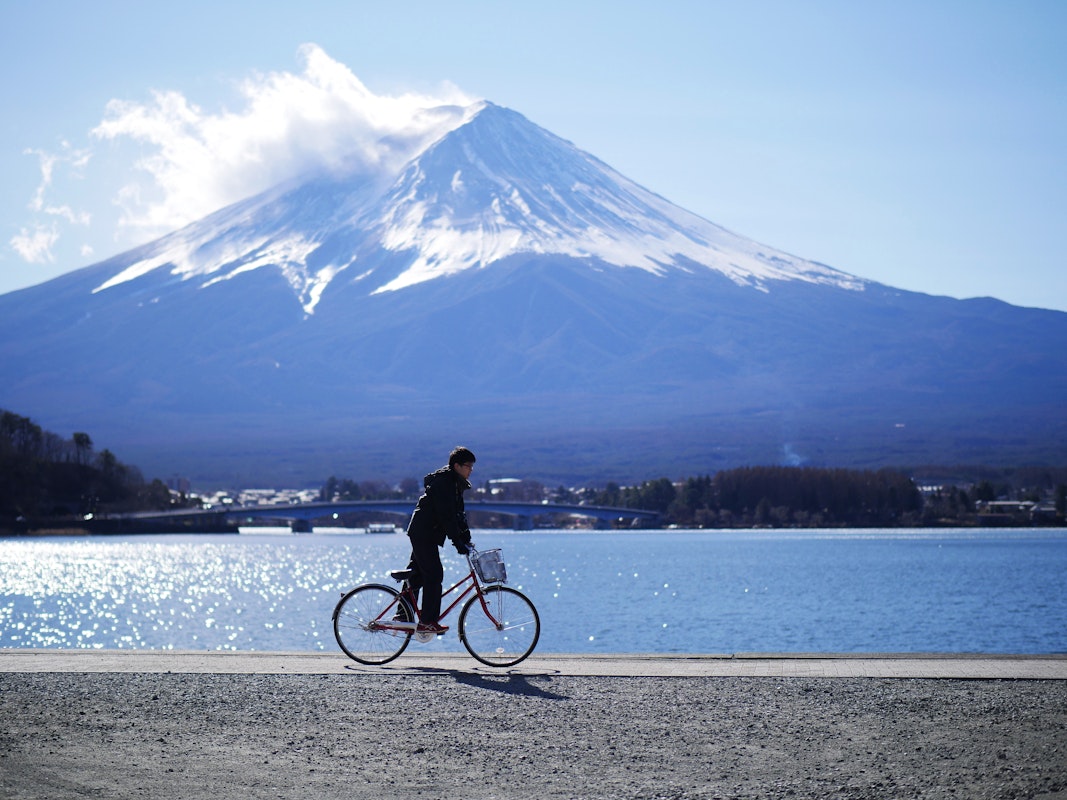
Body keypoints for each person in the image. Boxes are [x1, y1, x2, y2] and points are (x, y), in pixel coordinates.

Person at [403, 446, 476, 634]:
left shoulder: (455, 484)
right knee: (434, 574)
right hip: (423, 533)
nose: (471, 470)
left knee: (416, 574)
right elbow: (446, 516)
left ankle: (402, 615)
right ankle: (428, 621)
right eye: (468, 466)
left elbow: (459, 515)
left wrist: (465, 538)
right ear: (457, 465)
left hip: (427, 533)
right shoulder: (444, 483)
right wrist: (456, 541)